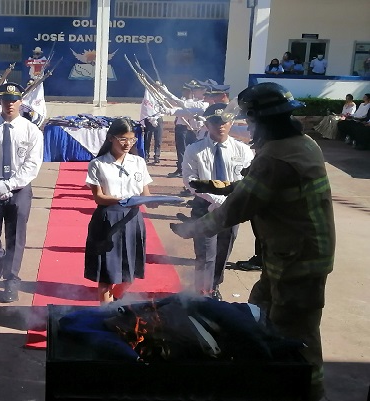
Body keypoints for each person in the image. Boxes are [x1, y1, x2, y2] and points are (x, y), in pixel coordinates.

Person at [171, 82, 335, 401]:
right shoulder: (301, 143)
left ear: (263, 121)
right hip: (292, 255)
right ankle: (263, 380)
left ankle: (309, 392)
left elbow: (236, 209)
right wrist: (218, 185)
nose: (249, 128)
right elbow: (252, 185)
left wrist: (190, 229)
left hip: (297, 264)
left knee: (296, 335)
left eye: (250, 121)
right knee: (260, 310)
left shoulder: (276, 158)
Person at [0, 82, 43, 303]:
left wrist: (11, 184)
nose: (10, 104)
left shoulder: (31, 130)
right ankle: (0, 260)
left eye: (14, 100)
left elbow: (32, 165)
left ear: (21, 102)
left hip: (19, 189)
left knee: (15, 237)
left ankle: (11, 281)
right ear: (0, 102)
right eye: (5, 100)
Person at [181, 103, 254, 300]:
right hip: (204, 207)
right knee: (205, 253)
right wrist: (214, 198)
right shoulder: (194, 150)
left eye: (224, 121)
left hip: (232, 208)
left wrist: (228, 201)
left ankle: (214, 287)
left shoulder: (243, 150)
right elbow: (189, 179)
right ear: (206, 123)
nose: (219, 125)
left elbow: (248, 180)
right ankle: (201, 292)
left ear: (231, 122)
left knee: (223, 250)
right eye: (214, 121)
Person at [84, 118, 155, 303]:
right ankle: (105, 316)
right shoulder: (98, 164)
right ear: (110, 138)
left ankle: (115, 301)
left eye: (131, 139)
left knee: (130, 272)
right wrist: (123, 200)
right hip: (108, 219)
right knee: (107, 274)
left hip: (133, 220)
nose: (127, 144)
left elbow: (145, 193)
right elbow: (98, 197)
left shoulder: (138, 162)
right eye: (123, 139)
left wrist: (155, 200)